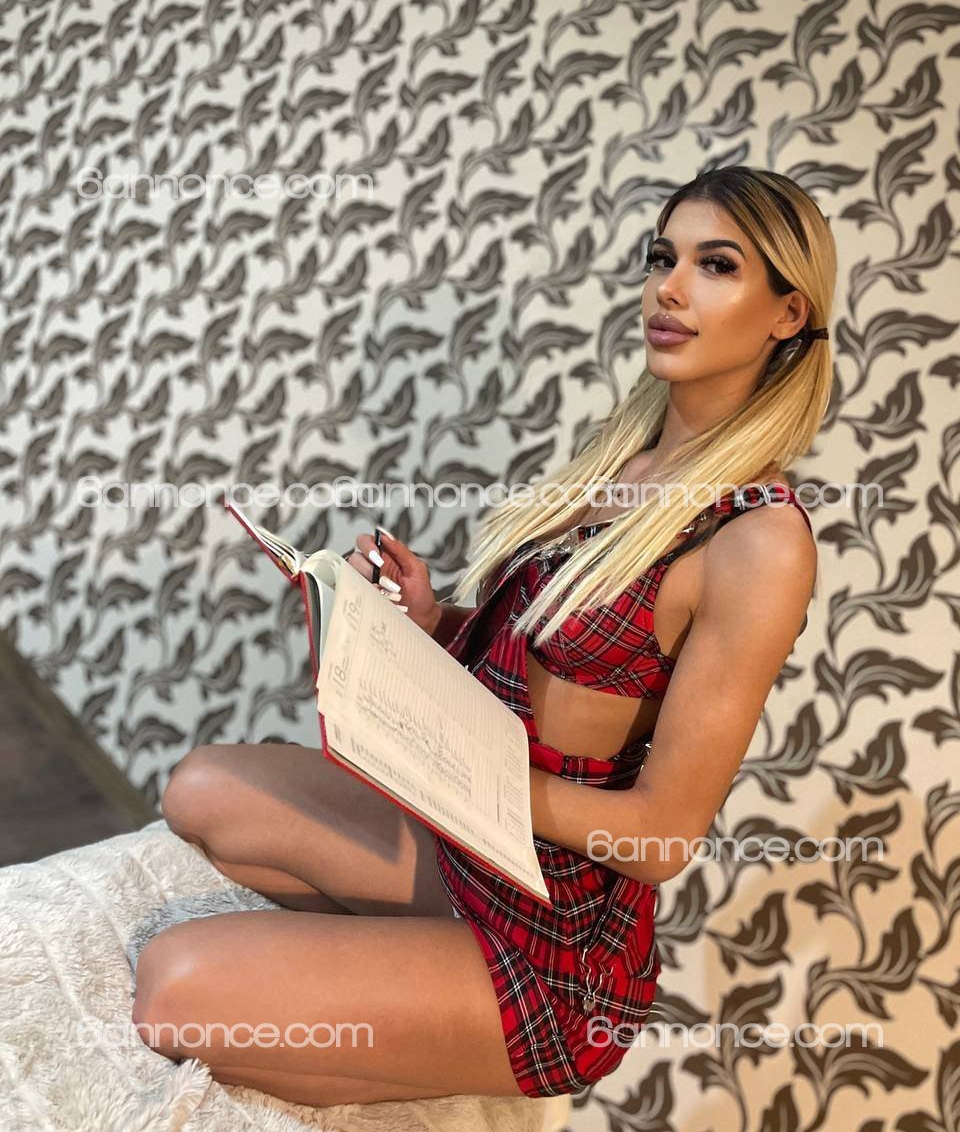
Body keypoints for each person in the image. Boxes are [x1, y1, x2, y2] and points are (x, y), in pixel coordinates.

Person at [132, 165, 834, 1104]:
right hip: (467, 856)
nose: (668, 289)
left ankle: (424, 1032)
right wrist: (433, 622)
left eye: (716, 266)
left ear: (788, 313)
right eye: (661, 257)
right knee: (201, 786)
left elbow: (662, 837)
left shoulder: (759, 540)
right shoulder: (624, 461)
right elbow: (562, 663)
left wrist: (467, 780)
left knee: (171, 987)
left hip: (554, 943)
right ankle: (401, 990)